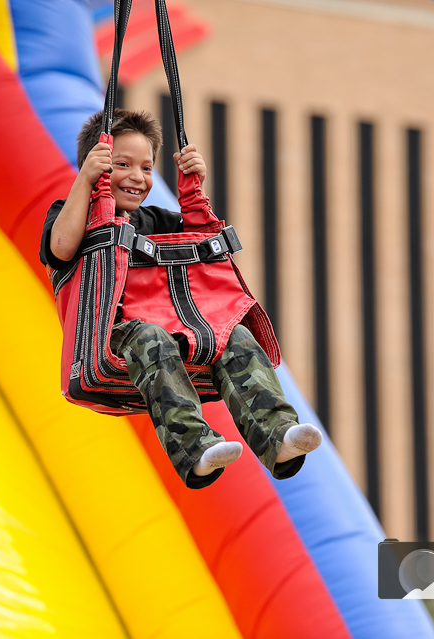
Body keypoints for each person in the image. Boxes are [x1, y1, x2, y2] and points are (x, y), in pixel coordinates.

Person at [40, 109, 322, 488]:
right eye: (122, 164)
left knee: (233, 335)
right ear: (98, 165)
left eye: (146, 167)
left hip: (179, 339)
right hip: (113, 339)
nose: (138, 177)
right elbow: (60, 248)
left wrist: (194, 187)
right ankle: (194, 449)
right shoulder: (71, 214)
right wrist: (87, 182)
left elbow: (201, 240)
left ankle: (277, 433)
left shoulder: (157, 220)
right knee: (150, 336)